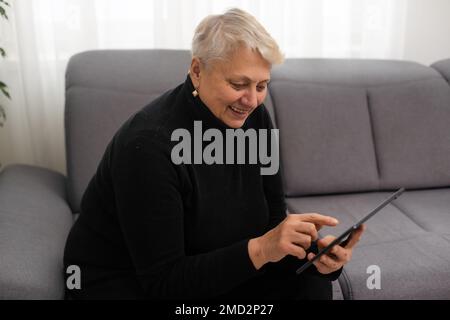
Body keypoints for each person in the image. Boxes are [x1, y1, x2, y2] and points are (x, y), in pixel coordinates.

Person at [63, 8, 365, 300]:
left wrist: (318, 258)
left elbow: (273, 221)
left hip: (209, 266)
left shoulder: (255, 120)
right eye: (238, 84)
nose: (251, 100)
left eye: (262, 85)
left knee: (310, 283)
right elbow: (164, 282)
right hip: (133, 282)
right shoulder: (148, 147)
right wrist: (261, 249)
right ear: (197, 70)